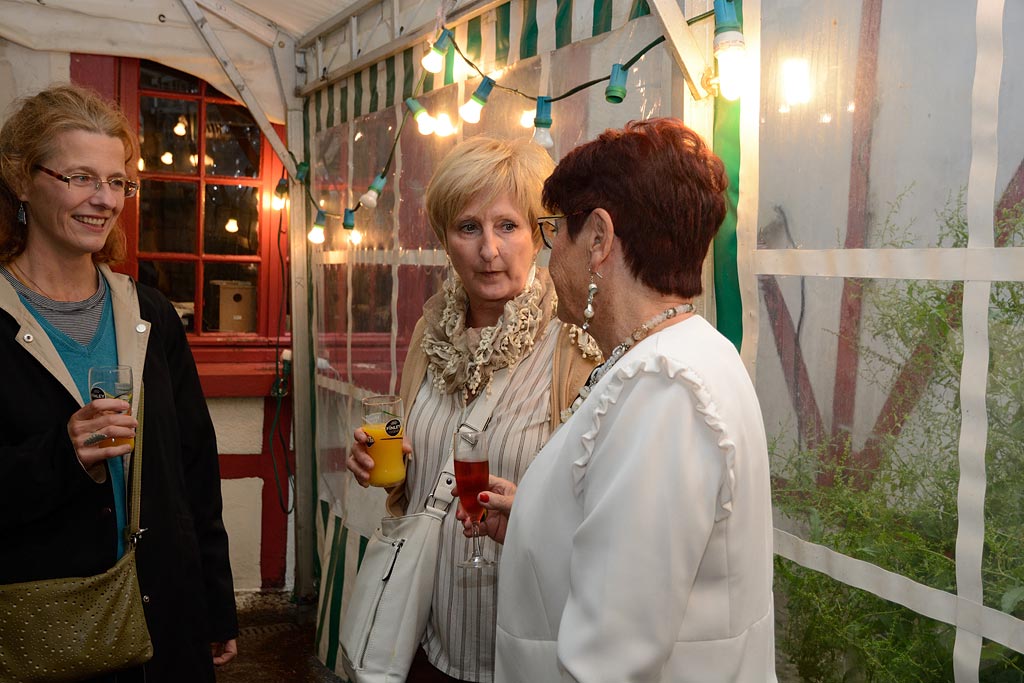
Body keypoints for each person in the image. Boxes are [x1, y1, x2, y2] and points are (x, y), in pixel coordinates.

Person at [459, 118, 777, 682]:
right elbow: (638, 567)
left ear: (599, 239)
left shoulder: (666, 391)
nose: (546, 257)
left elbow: (610, 661)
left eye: (554, 230)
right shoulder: (683, 354)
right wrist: (536, 520)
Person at [0, 84, 238, 681]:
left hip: (165, 622)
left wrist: (214, 604)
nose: (104, 200)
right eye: (81, 177)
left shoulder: (150, 312)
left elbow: (194, 471)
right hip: (42, 631)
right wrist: (60, 456)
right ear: (22, 181)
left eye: (118, 182)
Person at [345, 136, 600, 682]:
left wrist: (530, 513)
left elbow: (604, 506)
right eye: (469, 228)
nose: (489, 250)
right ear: (444, 238)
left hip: (527, 651)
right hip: (430, 641)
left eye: (507, 226)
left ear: (538, 235)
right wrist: (379, 464)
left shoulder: (576, 346)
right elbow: (410, 468)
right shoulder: (428, 335)